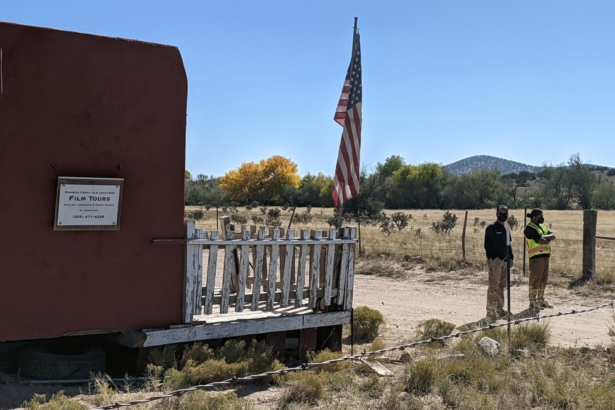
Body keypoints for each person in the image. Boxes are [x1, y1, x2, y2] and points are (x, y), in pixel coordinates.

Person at [484, 205, 514, 322]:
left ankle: (499, 309)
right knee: (493, 286)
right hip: (496, 261)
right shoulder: (491, 228)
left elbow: (508, 245)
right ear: (496, 214)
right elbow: (487, 246)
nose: (503, 215)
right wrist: (494, 259)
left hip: (506, 261)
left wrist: (511, 258)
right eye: (501, 213)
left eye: (505, 213)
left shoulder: (506, 228)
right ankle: (491, 312)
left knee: (502, 286)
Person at [524, 208, 556, 311]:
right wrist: (546, 239)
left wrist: (544, 237)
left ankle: (541, 300)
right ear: (534, 217)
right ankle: (533, 302)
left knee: (543, 280)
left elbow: (553, 236)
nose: (542, 218)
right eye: (540, 216)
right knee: (535, 280)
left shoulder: (542, 227)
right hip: (536, 258)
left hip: (545, 256)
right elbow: (541, 241)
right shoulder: (529, 228)